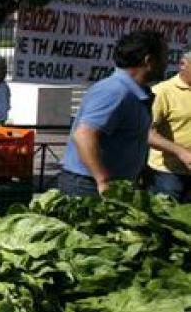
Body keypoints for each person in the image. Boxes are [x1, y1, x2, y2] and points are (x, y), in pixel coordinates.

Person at [58, 30, 168, 197]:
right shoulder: (115, 91)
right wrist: (103, 181)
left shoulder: (137, 93)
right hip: (90, 186)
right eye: (164, 57)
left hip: (115, 185)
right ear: (149, 60)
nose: (167, 63)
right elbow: (84, 135)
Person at [146, 47, 191, 201]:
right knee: (166, 221)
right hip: (167, 175)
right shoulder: (162, 92)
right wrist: (182, 152)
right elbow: (147, 133)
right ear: (183, 64)